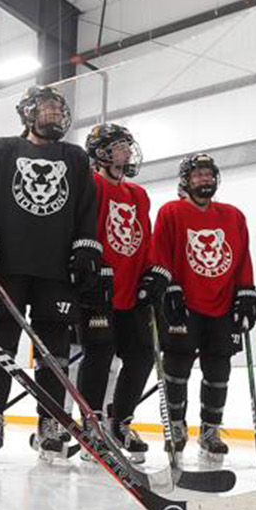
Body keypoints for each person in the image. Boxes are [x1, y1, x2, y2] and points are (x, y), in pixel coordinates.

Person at [0, 85, 100, 460]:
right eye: (47, 108)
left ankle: (50, 422)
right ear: (27, 113)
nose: (55, 113)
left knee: (54, 350)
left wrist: (86, 249)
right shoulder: (4, 149)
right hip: (7, 266)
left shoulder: (74, 156)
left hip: (56, 270)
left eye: (58, 108)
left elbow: (87, 208)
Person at [147, 153, 256, 468]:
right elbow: (160, 251)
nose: (204, 180)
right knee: (177, 367)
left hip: (221, 304)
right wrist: (170, 288)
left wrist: (246, 291)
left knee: (219, 369)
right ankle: (176, 427)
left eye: (208, 175)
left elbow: (241, 256)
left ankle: (210, 431)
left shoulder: (233, 216)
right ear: (186, 181)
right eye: (198, 175)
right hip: (184, 303)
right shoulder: (171, 212)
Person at [75, 123, 156, 463]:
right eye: (118, 146)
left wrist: (154, 273)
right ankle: (91, 424)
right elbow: (83, 230)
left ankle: (119, 420)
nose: (126, 151)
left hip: (131, 290)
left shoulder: (138, 194)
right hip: (98, 288)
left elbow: (145, 238)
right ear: (101, 152)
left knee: (141, 355)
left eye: (127, 145)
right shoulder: (90, 185)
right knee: (100, 353)